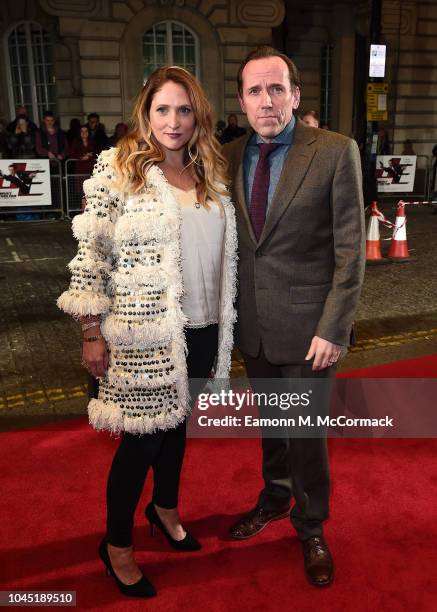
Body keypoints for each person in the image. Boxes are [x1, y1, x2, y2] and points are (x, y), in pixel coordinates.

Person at [57, 66, 237, 598]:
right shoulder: (119, 170)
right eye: (163, 109)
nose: (173, 121)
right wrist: (92, 331)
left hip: (203, 327)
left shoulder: (211, 171)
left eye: (184, 109)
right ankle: (116, 547)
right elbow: (91, 256)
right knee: (142, 442)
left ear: (198, 113)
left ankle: (164, 509)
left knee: (178, 429)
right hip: (144, 337)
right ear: (146, 112)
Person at [223, 46, 365, 587]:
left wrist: (334, 327)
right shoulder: (230, 156)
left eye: (276, 88)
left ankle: (311, 525)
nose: (266, 100)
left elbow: (351, 250)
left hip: (311, 332)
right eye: (255, 90)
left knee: (305, 435)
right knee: (274, 428)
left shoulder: (333, 151)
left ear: (296, 95)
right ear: (241, 100)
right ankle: (275, 498)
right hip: (254, 326)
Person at [70, 124, 96, 200]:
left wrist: (90, 155)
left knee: (91, 190)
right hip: (80, 170)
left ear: (89, 132)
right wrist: (81, 157)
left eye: (86, 131)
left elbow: (97, 153)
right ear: (79, 133)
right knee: (81, 191)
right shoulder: (76, 142)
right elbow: (72, 154)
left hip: (90, 170)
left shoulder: (92, 142)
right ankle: (82, 209)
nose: (84, 133)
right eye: (82, 131)